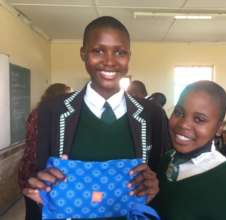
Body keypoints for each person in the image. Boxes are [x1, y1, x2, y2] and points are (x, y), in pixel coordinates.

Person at [23, 16, 170, 219]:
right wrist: (36, 186)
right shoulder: (52, 111)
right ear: (83, 53)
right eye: (98, 51)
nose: (109, 61)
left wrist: (156, 188)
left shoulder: (152, 115)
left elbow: (163, 180)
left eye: (119, 52)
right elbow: (32, 177)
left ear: (129, 56)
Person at [151, 80, 226, 220]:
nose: (183, 124)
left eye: (199, 119)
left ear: (220, 127)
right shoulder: (167, 159)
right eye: (178, 112)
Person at [18, 83, 71, 220]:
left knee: (32, 209)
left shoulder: (35, 112)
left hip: (27, 167)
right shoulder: (52, 115)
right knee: (42, 208)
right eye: (67, 95)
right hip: (40, 167)